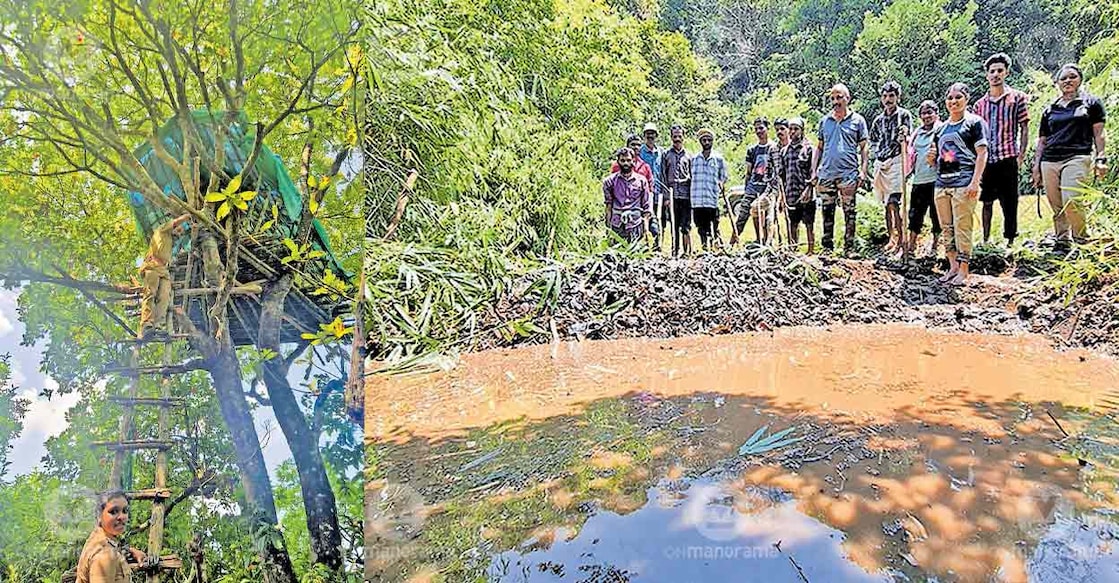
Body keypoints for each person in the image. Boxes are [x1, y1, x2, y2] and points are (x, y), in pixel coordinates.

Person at [1033, 63, 1108, 249]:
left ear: (1080, 79)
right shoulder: (1050, 109)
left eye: (1072, 76)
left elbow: (1099, 134)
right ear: (1057, 83)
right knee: (1056, 203)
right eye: (1063, 78)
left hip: (1077, 156)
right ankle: (1062, 241)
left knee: (1072, 199)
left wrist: (1101, 158)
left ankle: (1081, 240)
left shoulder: (1091, 103)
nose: (1068, 81)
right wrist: (1036, 166)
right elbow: (1042, 140)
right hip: (1049, 160)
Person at [928, 83, 989, 286]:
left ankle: (964, 269)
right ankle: (952, 266)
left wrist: (975, 182)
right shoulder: (940, 129)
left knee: (963, 226)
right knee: (947, 227)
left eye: (958, 97)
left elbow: (982, 153)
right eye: (950, 98)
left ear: (967, 99)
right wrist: (930, 158)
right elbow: (937, 158)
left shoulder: (974, 123)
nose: (953, 101)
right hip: (942, 183)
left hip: (964, 183)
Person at [973, 53, 1031, 247]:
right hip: (987, 159)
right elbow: (975, 134)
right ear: (987, 75)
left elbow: (1024, 127)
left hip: (1008, 156)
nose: (996, 74)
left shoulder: (1018, 98)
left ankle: (1010, 240)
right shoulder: (979, 105)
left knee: (1010, 201)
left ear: (1006, 72)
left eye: (999, 70)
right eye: (992, 71)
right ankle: (986, 239)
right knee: (986, 200)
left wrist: (1021, 155)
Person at [812, 83, 869, 257]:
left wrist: (863, 170)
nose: (836, 101)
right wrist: (814, 170)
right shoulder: (824, 121)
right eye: (833, 98)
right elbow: (819, 147)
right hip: (827, 173)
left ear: (847, 99)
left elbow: (864, 147)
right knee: (827, 211)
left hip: (848, 173)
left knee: (849, 211)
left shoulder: (858, 121)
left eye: (839, 97)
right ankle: (827, 247)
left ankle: (849, 248)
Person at [870, 81, 914, 253]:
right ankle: (891, 238)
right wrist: (876, 156)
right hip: (882, 162)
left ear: (898, 97)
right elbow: (873, 140)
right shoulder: (878, 120)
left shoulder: (904, 115)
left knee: (894, 201)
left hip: (897, 160)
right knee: (885, 203)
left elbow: (908, 136)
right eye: (885, 96)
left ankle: (902, 238)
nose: (888, 99)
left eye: (891, 96)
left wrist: (904, 136)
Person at [77, 490, 157, 583]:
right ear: (99, 516)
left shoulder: (100, 539)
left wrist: (130, 551)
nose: (122, 517)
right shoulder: (104, 555)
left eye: (125, 511)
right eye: (113, 512)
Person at [900, 100, 943, 263]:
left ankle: (935, 245)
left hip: (937, 180)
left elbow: (950, 154)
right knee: (915, 214)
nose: (926, 116)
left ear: (936, 113)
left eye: (929, 112)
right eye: (924, 113)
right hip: (919, 179)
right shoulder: (917, 134)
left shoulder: (942, 130)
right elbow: (910, 152)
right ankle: (911, 245)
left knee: (936, 214)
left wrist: (938, 159)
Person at [139, 214, 190, 340]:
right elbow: (176, 221)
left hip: (164, 270)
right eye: (178, 230)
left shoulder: (171, 244)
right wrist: (188, 216)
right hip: (152, 266)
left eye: (181, 233)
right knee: (150, 293)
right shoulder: (162, 230)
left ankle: (157, 325)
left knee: (164, 296)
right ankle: (146, 324)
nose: (179, 234)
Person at [731, 118, 778, 246]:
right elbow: (749, 172)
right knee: (742, 216)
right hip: (753, 187)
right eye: (756, 129)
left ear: (767, 128)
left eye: (761, 128)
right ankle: (731, 244)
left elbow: (777, 171)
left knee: (768, 218)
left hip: (767, 188)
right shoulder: (752, 150)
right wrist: (747, 189)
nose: (759, 131)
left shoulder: (773, 148)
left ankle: (767, 242)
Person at [781, 117, 817, 254]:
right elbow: (783, 176)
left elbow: (813, 172)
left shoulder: (809, 149)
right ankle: (793, 251)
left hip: (806, 192)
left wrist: (809, 189)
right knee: (793, 224)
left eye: (796, 129)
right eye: (790, 129)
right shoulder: (785, 151)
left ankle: (810, 251)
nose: (792, 132)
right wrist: (782, 196)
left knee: (809, 224)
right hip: (791, 193)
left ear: (802, 131)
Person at [603, 147, 652, 244]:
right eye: (622, 160)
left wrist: (646, 230)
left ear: (633, 161)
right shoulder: (609, 182)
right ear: (618, 161)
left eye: (628, 160)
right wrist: (608, 231)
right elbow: (608, 207)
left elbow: (646, 207)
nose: (625, 163)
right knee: (617, 256)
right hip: (617, 225)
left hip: (635, 224)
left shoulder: (642, 181)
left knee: (636, 255)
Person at [690, 128, 728, 252]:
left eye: (709, 140)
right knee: (701, 227)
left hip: (711, 199)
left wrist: (721, 185)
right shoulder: (694, 159)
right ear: (700, 142)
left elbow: (723, 177)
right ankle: (704, 247)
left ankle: (715, 247)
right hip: (697, 199)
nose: (706, 142)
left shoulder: (718, 159)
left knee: (714, 226)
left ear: (712, 141)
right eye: (704, 140)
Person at [661, 125, 692, 257]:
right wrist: (666, 197)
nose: (677, 139)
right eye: (675, 136)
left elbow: (692, 176)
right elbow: (663, 176)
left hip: (686, 196)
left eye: (680, 136)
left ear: (683, 137)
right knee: (674, 225)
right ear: (671, 137)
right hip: (672, 196)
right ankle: (675, 251)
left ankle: (687, 252)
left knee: (685, 226)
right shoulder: (666, 155)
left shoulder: (689, 156)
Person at [639, 123, 668, 250]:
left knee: (659, 218)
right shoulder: (639, 152)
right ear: (644, 136)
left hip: (658, 191)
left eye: (652, 134)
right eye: (647, 134)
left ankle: (658, 244)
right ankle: (644, 244)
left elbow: (665, 172)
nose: (650, 136)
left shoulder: (661, 152)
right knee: (645, 217)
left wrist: (666, 194)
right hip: (643, 193)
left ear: (656, 136)